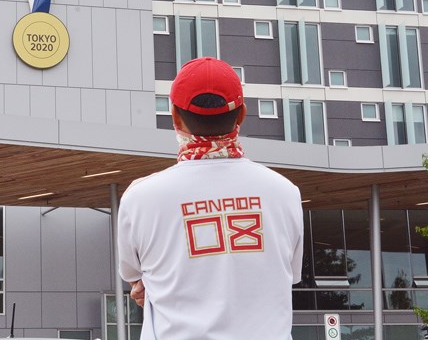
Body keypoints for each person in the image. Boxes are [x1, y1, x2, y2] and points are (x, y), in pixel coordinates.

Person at [118, 57, 303, 339]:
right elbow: (285, 275)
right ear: (241, 114)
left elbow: (135, 277)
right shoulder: (285, 192)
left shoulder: (140, 198)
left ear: (175, 117)